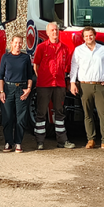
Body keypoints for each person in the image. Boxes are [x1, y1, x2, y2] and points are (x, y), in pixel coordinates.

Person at [69, 27, 104, 150]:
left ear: (95, 36)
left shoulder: (103, 50)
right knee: (87, 114)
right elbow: (74, 68)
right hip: (84, 85)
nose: (89, 38)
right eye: (86, 36)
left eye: (91, 35)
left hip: (100, 85)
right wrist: (72, 83)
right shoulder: (78, 50)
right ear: (83, 38)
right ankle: (90, 140)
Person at [32, 22, 75, 150]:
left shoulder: (65, 48)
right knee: (41, 113)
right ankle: (40, 142)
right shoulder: (41, 47)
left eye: (56, 30)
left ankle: (62, 141)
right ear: (47, 32)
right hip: (44, 85)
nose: (55, 32)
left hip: (59, 85)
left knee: (59, 113)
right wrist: (43, 78)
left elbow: (67, 67)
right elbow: (36, 66)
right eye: (52, 30)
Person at [0, 34, 34, 152]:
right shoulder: (5, 57)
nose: (18, 45)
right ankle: (8, 142)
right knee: (7, 117)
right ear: (11, 43)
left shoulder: (25, 58)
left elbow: (30, 75)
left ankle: (18, 142)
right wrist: (1, 91)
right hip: (8, 89)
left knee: (21, 118)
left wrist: (28, 89)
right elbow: (0, 76)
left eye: (20, 43)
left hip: (21, 89)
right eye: (16, 42)